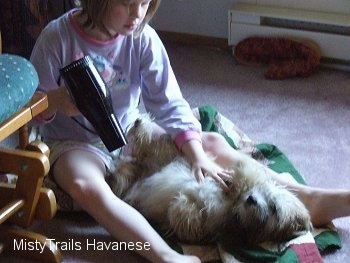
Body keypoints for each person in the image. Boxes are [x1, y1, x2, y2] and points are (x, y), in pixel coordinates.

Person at [30, 0, 350, 262]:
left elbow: (170, 105)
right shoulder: (57, 38)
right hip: (73, 141)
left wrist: (197, 156)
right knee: (84, 183)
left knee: (211, 142)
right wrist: (56, 100)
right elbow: (31, 108)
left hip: (129, 129)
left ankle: (306, 198)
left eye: (144, 3)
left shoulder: (142, 37)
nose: (137, 14)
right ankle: (164, 255)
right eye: (127, 4)